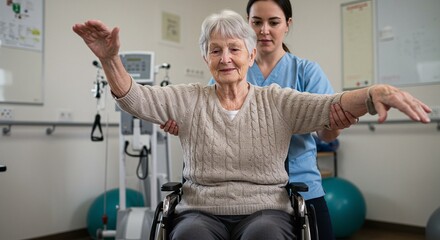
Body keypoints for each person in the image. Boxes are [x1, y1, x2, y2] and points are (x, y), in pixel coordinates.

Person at [73, 9, 431, 240]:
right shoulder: (189, 98)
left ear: (250, 54)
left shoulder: (276, 99)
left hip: (266, 209)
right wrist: (110, 60)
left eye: (234, 48)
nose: (225, 57)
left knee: (266, 236)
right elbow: (136, 100)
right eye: (215, 50)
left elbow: (330, 105)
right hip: (201, 210)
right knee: (189, 236)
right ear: (205, 57)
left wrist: (373, 94)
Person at [161, 1, 355, 238]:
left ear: (287, 25)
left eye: (273, 22)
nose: (264, 30)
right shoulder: (227, 70)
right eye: (256, 22)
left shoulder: (306, 72)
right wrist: (182, 124)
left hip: (299, 182)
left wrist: (334, 125)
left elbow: (326, 133)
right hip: (240, 191)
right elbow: (207, 120)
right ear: (247, 24)